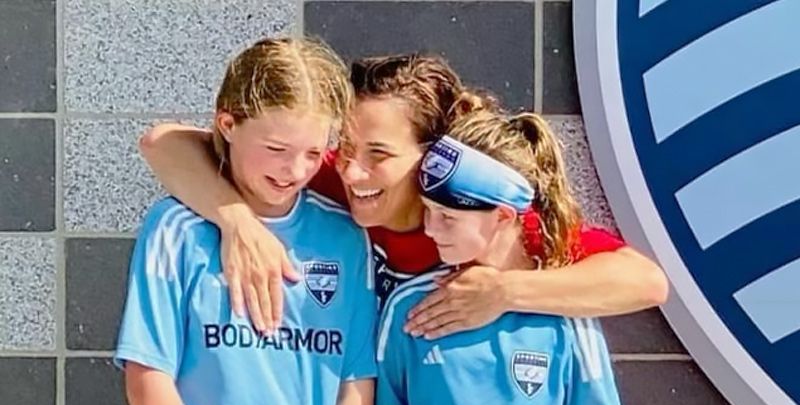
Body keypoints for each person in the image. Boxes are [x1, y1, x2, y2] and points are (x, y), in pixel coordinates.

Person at [138, 53, 668, 336]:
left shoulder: (487, 219)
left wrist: (504, 291)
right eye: (343, 147)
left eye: (379, 154)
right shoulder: (333, 180)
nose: (352, 171)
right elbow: (163, 144)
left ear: (435, 157)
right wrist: (240, 224)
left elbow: (644, 281)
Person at [115, 37, 376, 405]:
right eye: (276, 149)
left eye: (314, 152)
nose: (295, 169)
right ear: (228, 125)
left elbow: (355, 384)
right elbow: (148, 375)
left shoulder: (345, 238)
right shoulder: (176, 230)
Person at [375, 97, 630, 405]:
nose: (430, 228)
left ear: (504, 217)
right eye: (428, 210)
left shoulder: (564, 315)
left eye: (447, 217)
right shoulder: (409, 304)